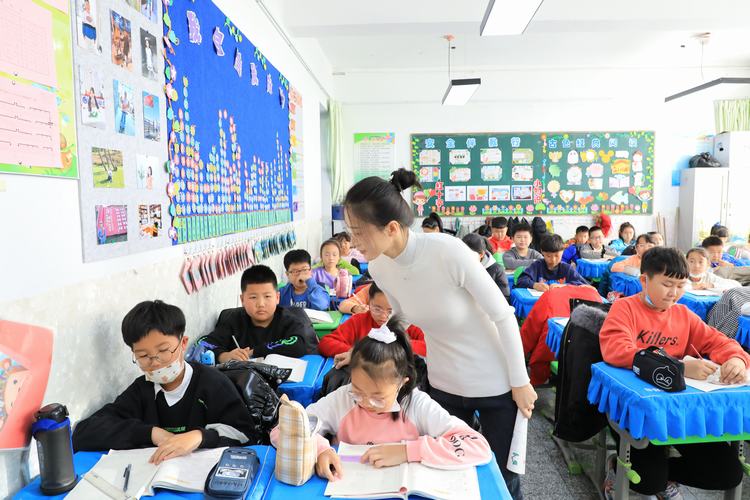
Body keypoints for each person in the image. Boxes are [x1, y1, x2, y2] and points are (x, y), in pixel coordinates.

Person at [343, 170, 535, 498]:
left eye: (358, 232)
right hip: (444, 383)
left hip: (496, 381)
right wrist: (366, 351)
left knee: (501, 479)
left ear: (391, 228)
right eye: (351, 232)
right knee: (445, 473)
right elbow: (402, 318)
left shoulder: (448, 252)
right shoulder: (379, 267)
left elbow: (503, 315)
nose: (353, 242)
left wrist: (520, 382)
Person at [599, 247, 750, 499]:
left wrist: (736, 359)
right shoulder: (624, 309)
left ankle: (665, 476)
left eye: (681, 285)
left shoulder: (683, 314)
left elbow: (718, 341)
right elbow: (617, 350)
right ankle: (618, 469)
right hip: (637, 410)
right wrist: (679, 367)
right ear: (644, 281)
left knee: (728, 472)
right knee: (648, 481)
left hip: (679, 410)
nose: (674, 293)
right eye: (667, 284)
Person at [271, 321, 492, 482]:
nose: (366, 403)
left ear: (402, 383)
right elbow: (283, 430)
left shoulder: (415, 404)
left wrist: (407, 452)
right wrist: (320, 450)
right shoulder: (343, 398)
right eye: (358, 391)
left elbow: (477, 446)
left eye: (378, 398)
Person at [72, 301, 256, 459]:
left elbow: (246, 434)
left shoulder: (212, 383)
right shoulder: (142, 390)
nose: (155, 362)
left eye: (163, 350)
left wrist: (200, 437)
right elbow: (83, 433)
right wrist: (150, 433)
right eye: (143, 356)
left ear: (183, 344)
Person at [204, 265, 316, 363]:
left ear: (277, 298)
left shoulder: (289, 320)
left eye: (267, 296)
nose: (261, 304)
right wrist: (223, 356)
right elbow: (203, 343)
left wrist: (254, 352)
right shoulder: (233, 320)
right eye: (253, 297)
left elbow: (299, 344)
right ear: (242, 300)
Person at [516, 234, 588, 291]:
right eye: (548, 256)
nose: (553, 260)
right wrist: (534, 285)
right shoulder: (537, 265)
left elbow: (583, 285)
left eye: (557, 256)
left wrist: (564, 286)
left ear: (563, 252)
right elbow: (521, 280)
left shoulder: (567, 268)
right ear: (542, 252)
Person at [462, 233, 510, 300]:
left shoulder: (496, 270)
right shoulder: (458, 266)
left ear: (481, 254)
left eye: (468, 256)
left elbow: (505, 297)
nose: (464, 258)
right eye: (462, 254)